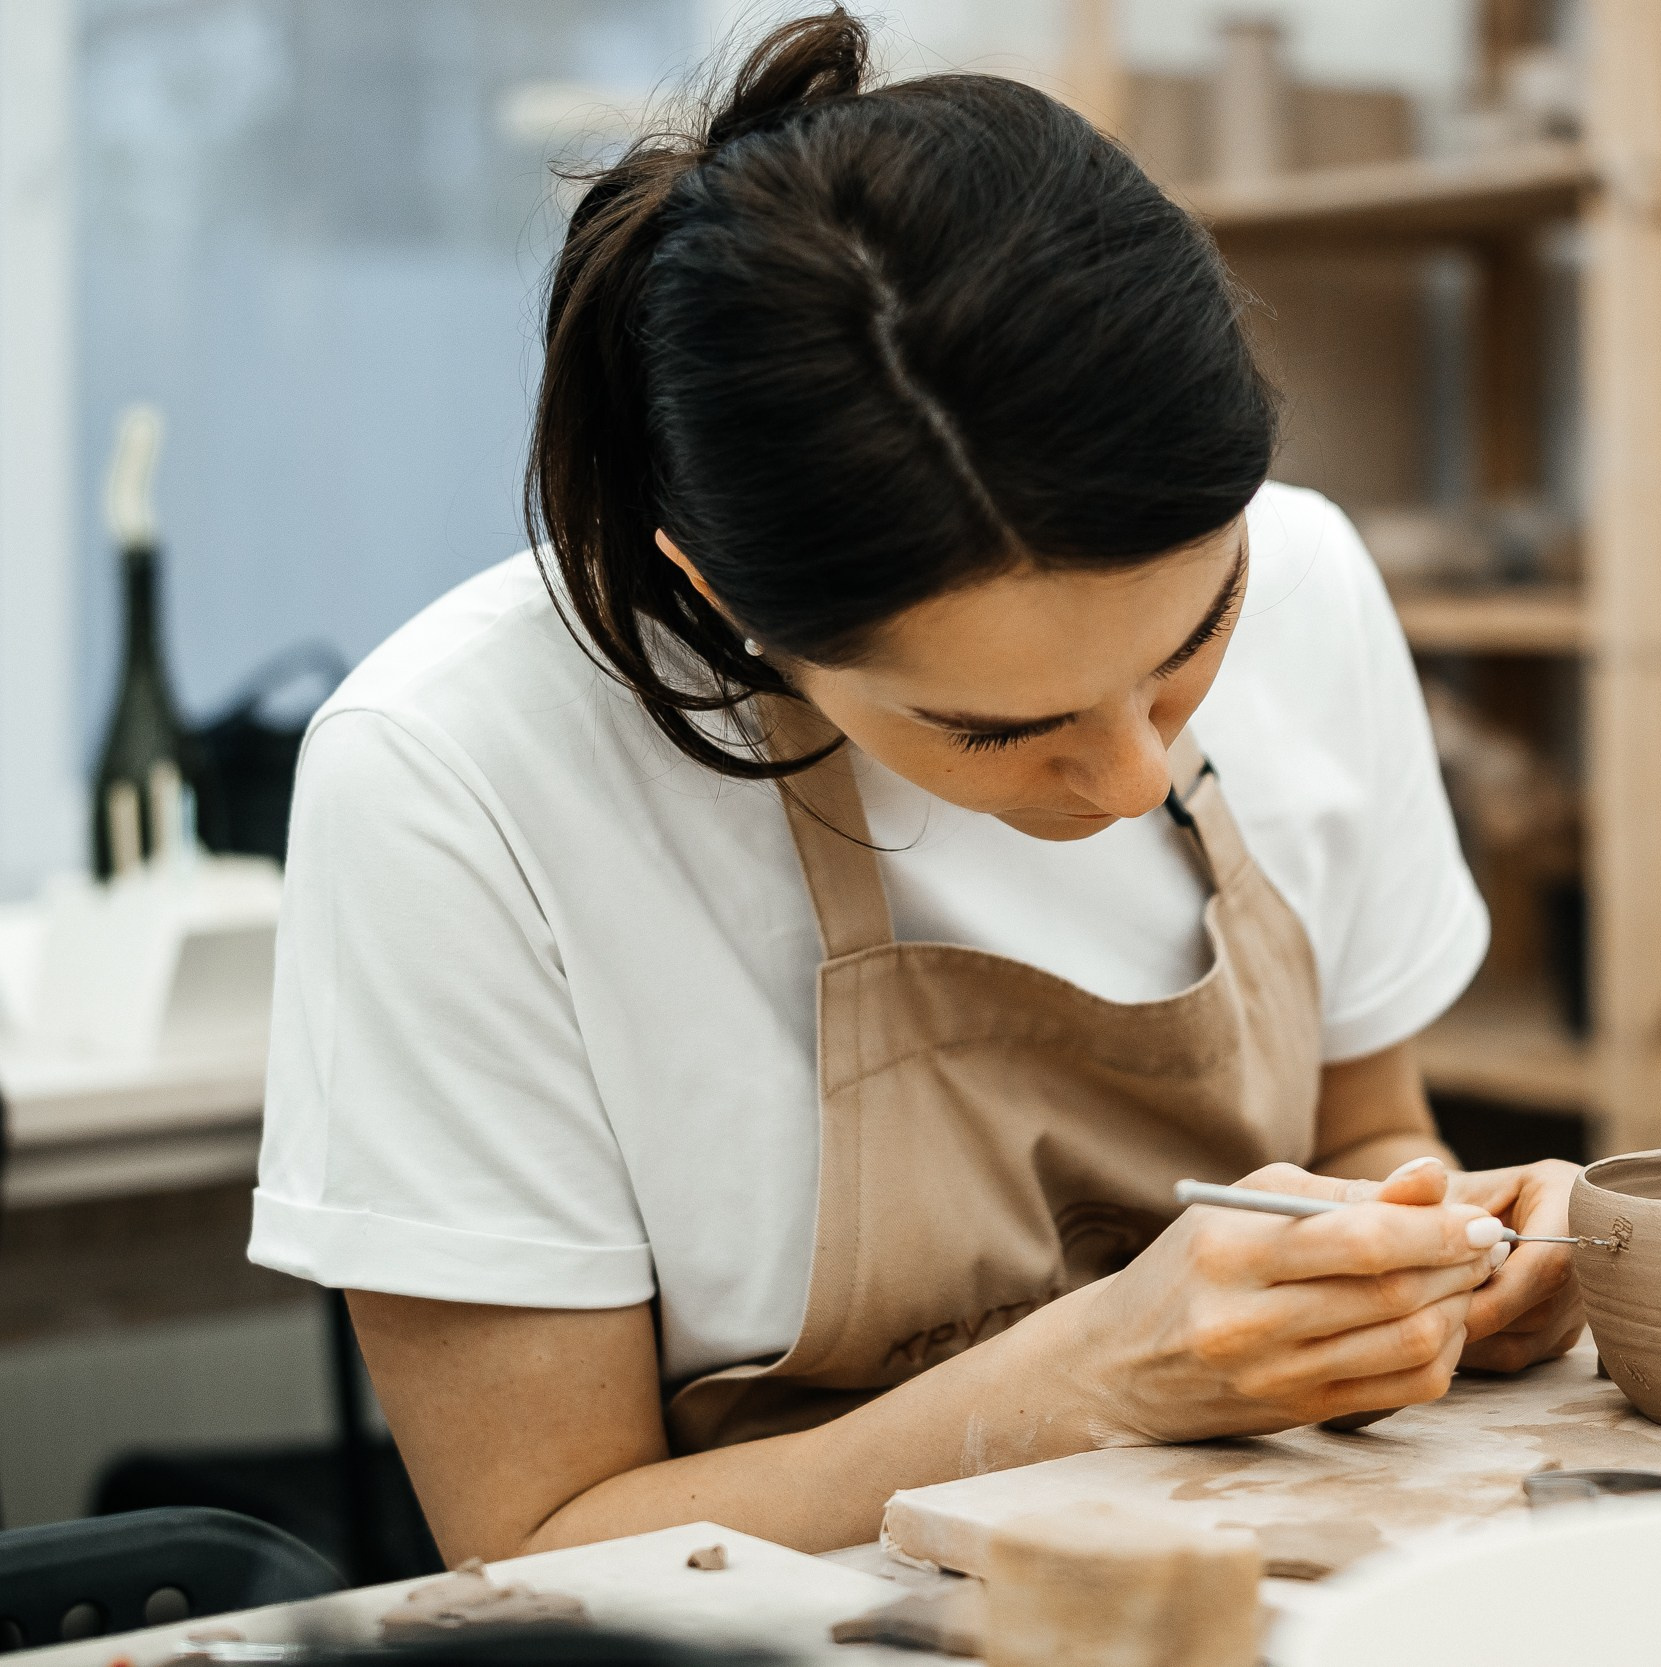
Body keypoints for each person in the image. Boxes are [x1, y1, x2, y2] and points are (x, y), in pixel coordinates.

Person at [248, 9, 1583, 1564]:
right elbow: (537, 1540)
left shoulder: (1310, 574)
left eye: (1190, 644)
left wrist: (1434, 1258)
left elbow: (1368, 1137)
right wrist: (1085, 1382)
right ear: (731, 601)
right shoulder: (452, 777)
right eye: (995, 729)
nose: (1130, 774)